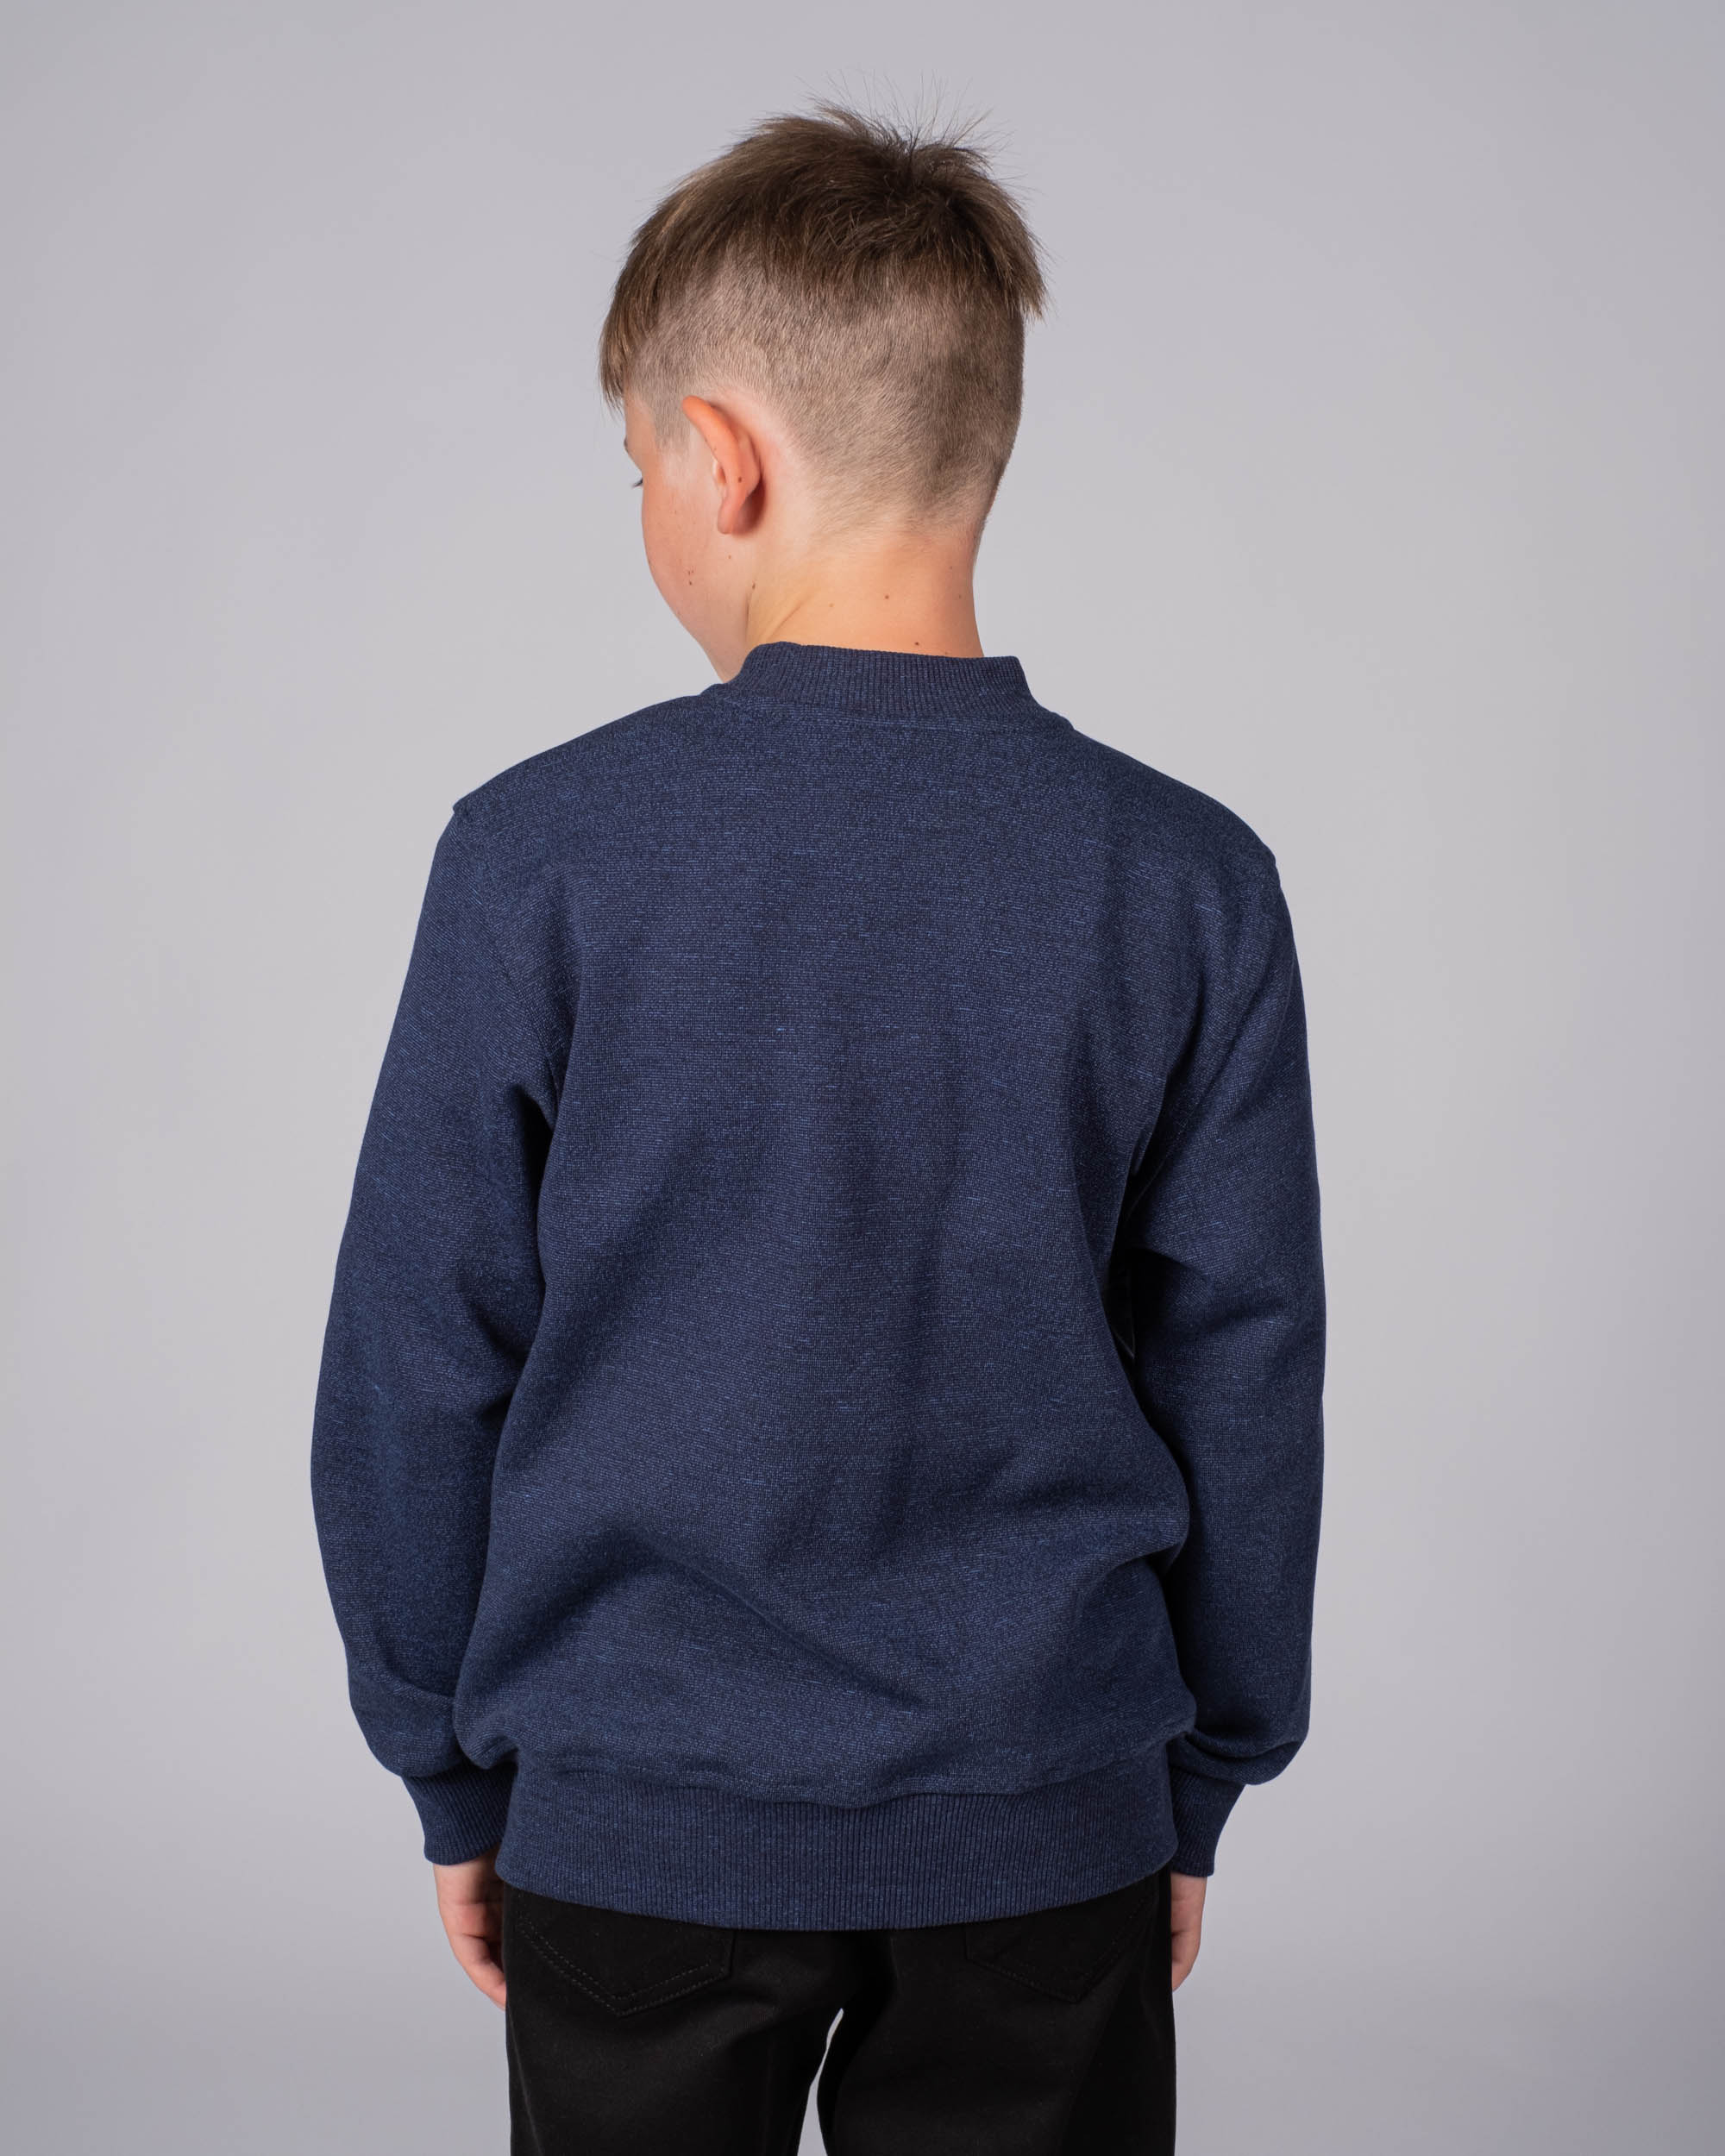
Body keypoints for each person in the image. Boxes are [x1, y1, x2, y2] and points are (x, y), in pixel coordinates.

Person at [310, 102, 1325, 2155]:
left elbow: (419, 1351)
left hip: (636, 1811)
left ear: (722, 457)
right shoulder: (1185, 880)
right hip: (1048, 1815)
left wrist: (449, 1758)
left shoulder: (539, 855)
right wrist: (1196, 1771)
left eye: (636, 475)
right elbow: (1243, 1366)